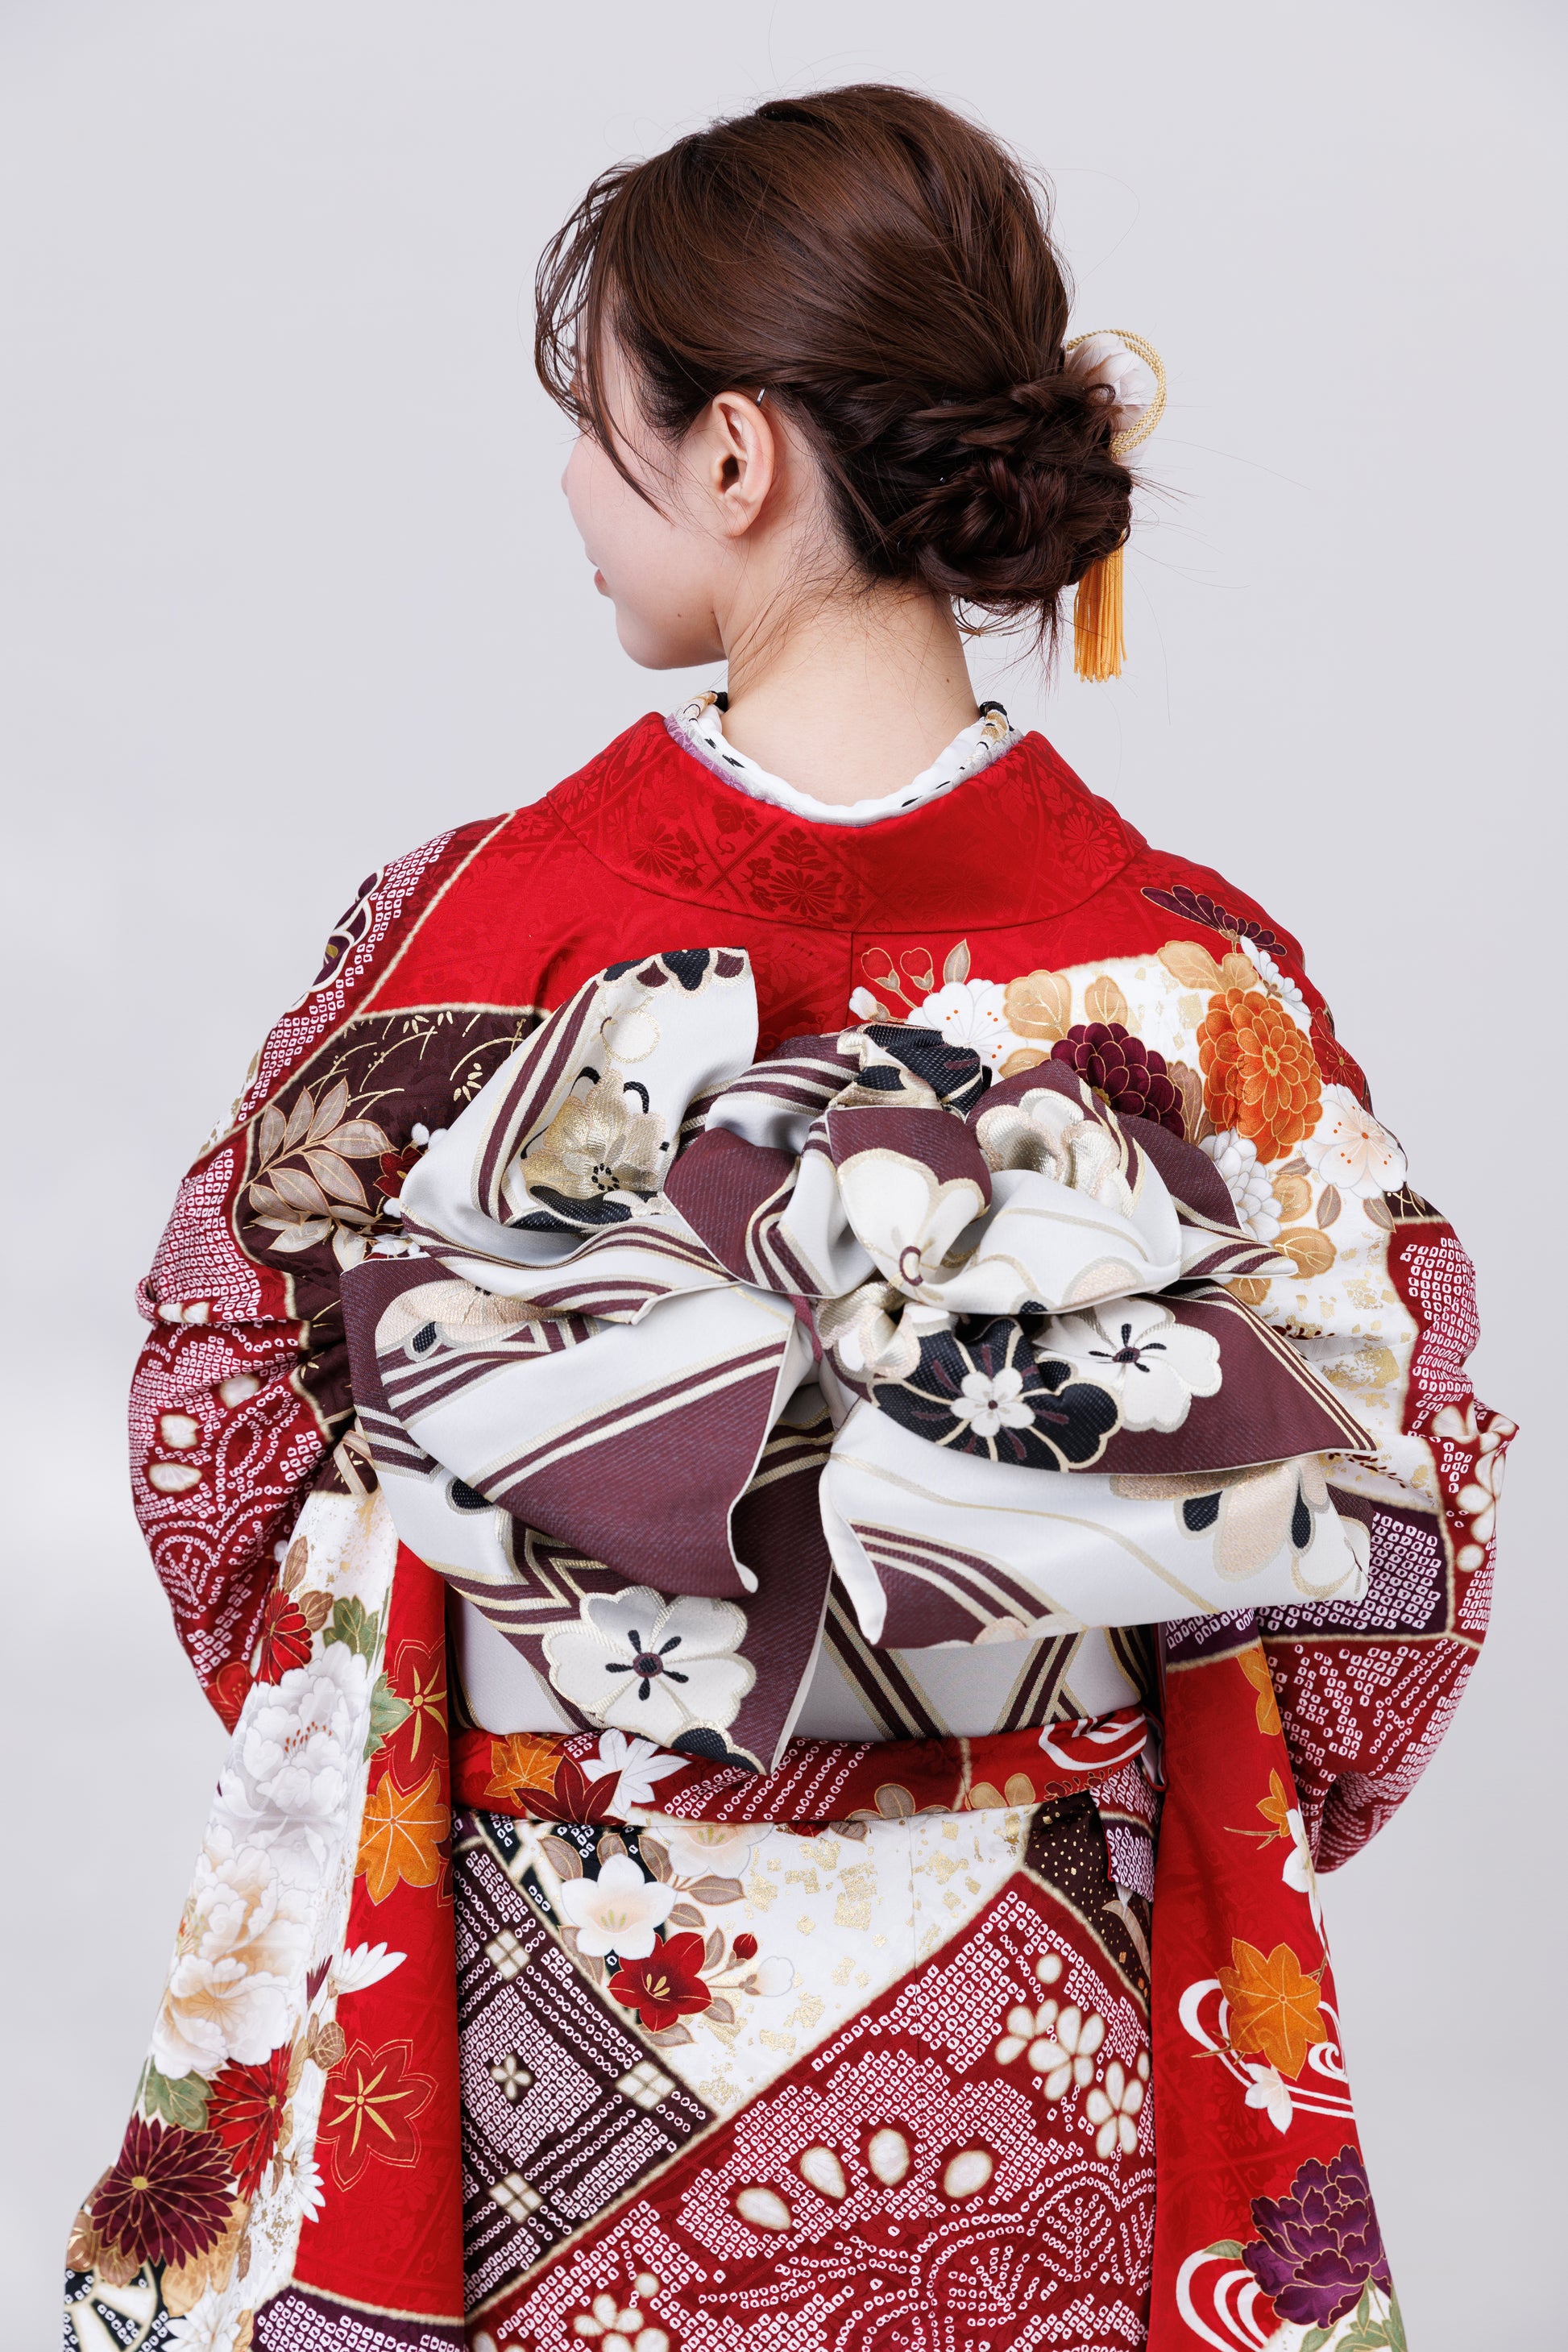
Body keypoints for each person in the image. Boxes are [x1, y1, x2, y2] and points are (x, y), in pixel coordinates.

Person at [65, 85, 1509, 2352]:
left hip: (550, 2009)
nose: (571, 481)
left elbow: (217, 1421)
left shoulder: (477, 934)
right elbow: (1390, 1534)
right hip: (1038, 2024)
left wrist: (579, 1550)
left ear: (733, 457)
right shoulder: (1192, 983)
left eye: (599, 421)